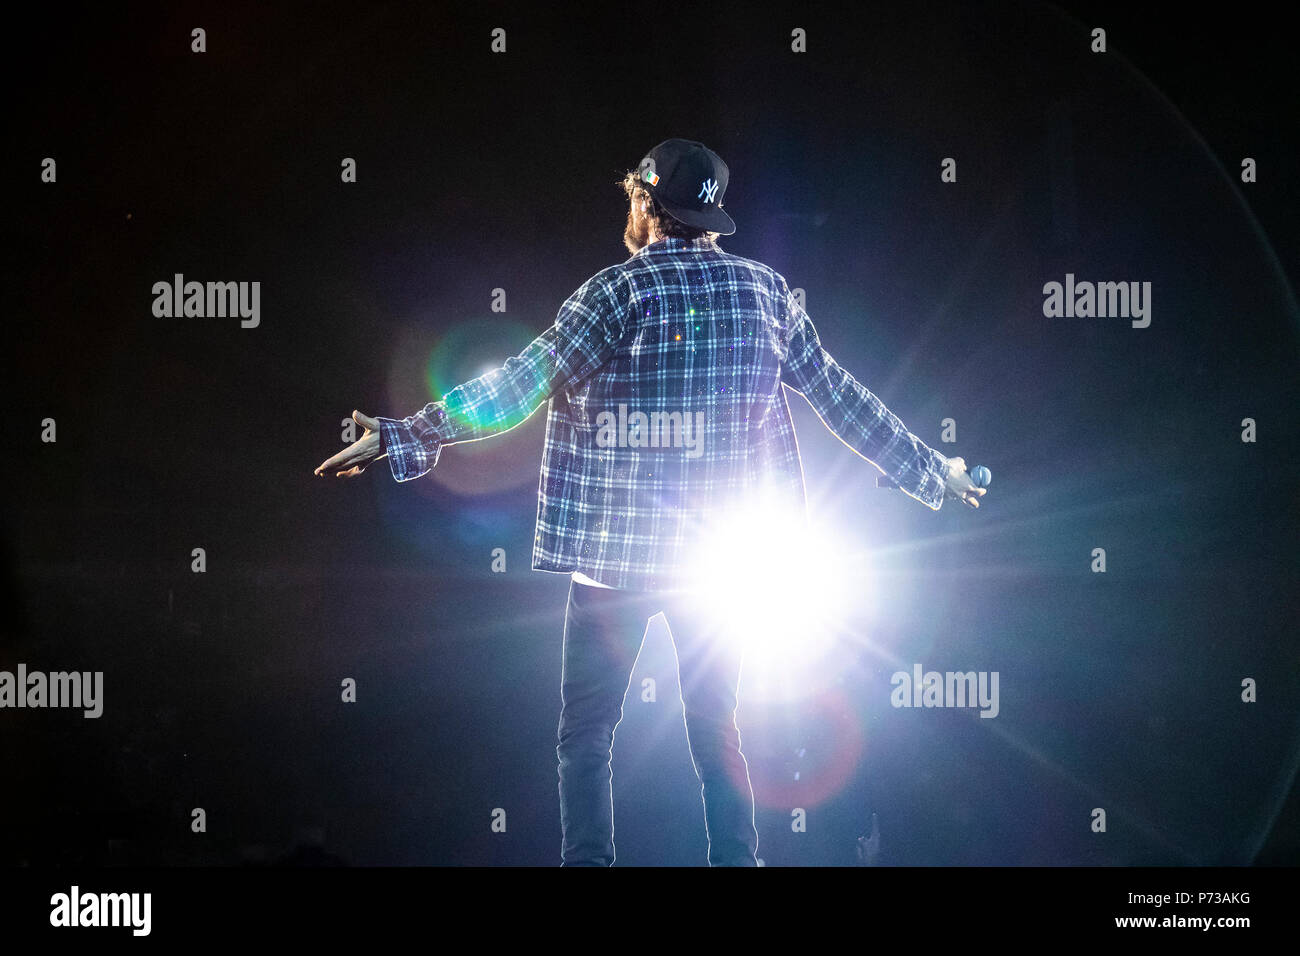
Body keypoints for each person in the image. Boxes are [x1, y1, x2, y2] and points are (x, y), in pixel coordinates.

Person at [315, 138, 987, 866]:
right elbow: (840, 397)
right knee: (717, 732)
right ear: (710, 216)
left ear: (646, 201)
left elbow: (515, 388)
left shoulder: (613, 292)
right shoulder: (767, 293)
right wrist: (931, 469)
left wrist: (401, 436)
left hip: (614, 566)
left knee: (587, 736)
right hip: (721, 570)